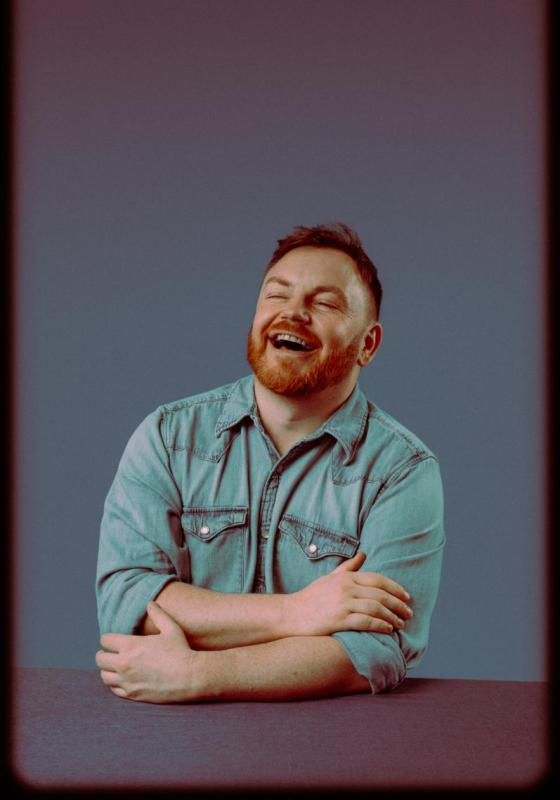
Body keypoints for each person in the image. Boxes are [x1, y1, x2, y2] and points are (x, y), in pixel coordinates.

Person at [95, 222, 445, 704]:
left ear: (368, 344)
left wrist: (198, 671)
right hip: (176, 755)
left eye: (324, 303)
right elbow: (128, 601)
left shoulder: (402, 471)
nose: (293, 314)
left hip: (330, 755)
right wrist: (297, 613)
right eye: (276, 295)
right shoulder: (167, 437)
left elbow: (373, 650)